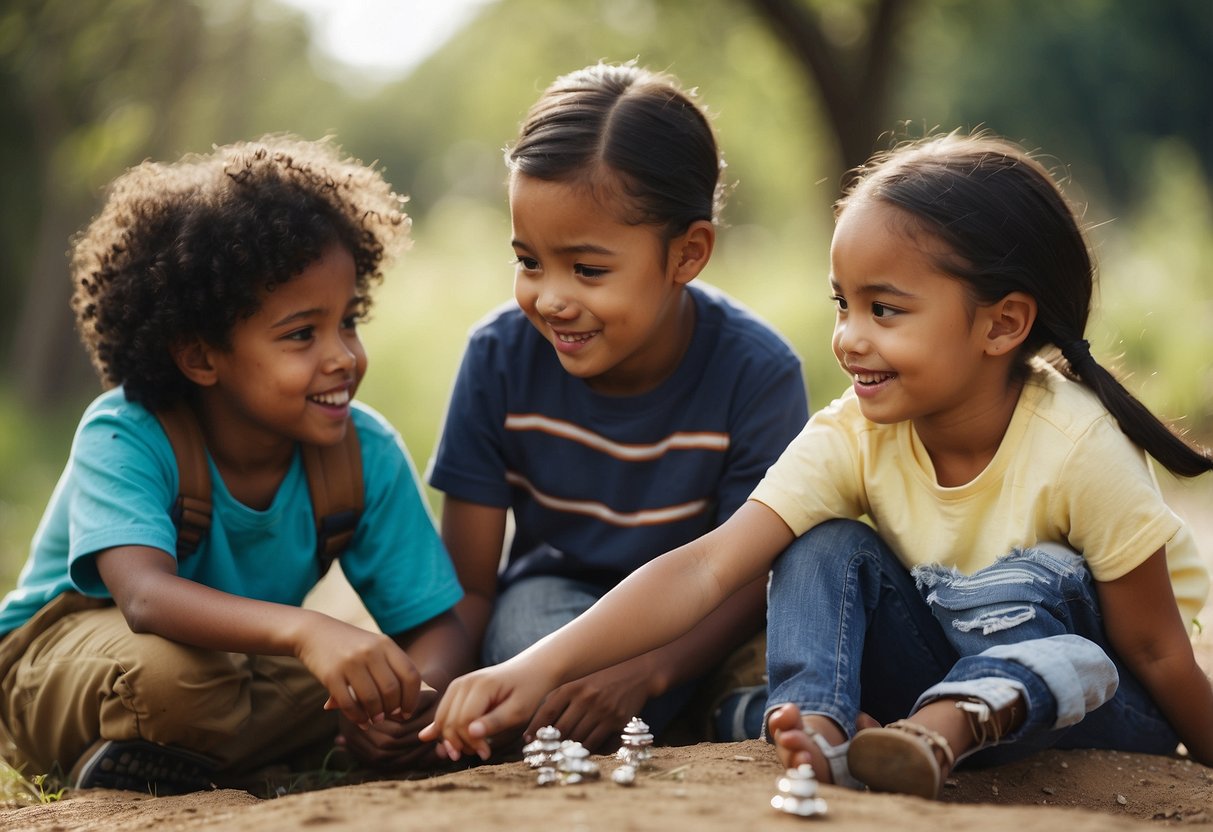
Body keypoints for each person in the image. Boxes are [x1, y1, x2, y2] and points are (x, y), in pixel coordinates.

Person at [421, 131, 1213, 798]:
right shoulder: (852, 432)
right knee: (820, 541)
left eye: (885, 309)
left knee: (1041, 582)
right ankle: (818, 730)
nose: (848, 337)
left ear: (1001, 323)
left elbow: (1149, 652)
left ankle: (949, 723)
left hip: (1088, 699)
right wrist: (531, 667)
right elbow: (707, 567)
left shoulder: (1075, 444)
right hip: (932, 678)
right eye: (842, 303)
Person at [0, 135, 470, 793]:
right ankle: (163, 748)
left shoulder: (363, 453)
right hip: (64, 658)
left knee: (370, 672)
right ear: (200, 357)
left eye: (349, 321)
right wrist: (308, 631)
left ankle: (178, 758)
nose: (342, 357)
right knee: (176, 680)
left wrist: (414, 698)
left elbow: (436, 628)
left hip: (237, 663)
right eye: (302, 334)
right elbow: (143, 596)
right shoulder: (127, 432)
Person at [425, 62, 808, 751]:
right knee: (537, 658)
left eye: (588, 269)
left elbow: (746, 578)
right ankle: (694, 720)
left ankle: (699, 712)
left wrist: (648, 671)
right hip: (556, 607)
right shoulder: (499, 357)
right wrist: (433, 698)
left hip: (706, 621)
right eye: (528, 261)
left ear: (686, 253)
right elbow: (470, 589)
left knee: (803, 661)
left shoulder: (757, 371)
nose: (550, 298)